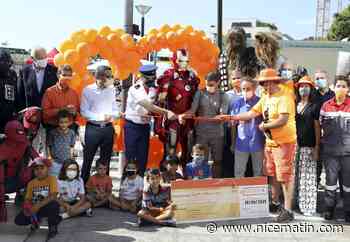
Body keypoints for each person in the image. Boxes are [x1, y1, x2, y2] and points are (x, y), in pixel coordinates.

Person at [219, 69, 297, 222]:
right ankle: (275, 204)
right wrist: (230, 117)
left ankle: (288, 210)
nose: (265, 86)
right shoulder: (266, 97)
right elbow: (250, 114)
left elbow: (283, 120)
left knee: (285, 177)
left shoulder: (285, 96)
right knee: (272, 175)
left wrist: (265, 126)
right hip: (270, 143)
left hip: (284, 143)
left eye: (267, 82)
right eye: (263, 83)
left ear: (275, 81)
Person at [124, 64, 176, 176]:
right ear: (143, 77)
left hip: (144, 127)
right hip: (132, 127)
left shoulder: (153, 89)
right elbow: (149, 106)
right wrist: (167, 112)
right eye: (150, 78)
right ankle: (127, 187)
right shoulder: (135, 89)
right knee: (131, 159)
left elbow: (156, 103)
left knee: (143, 159)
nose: (153, 80)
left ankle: (140, 184)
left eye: (154, 77)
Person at [155, 49, 200, 168]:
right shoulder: (168, 75)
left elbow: (196, 100)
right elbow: (160, 101)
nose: (184, 64)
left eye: (186, 61)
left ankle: (186, 174)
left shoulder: (192, 76)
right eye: (181, 60)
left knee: (188, 149)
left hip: (188, 119)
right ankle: (167, 175)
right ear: (174, 60)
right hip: (172, 119)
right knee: (171, 148)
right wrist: (159, 124)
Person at [180, 71, 229, 178]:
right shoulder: (200, 93)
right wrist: (182, 115)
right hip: (202, 133)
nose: (208, 87)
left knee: (217, 160)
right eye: (207, 84)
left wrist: (221, 116)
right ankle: (201, 182)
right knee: (202, 160)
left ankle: (216, 182)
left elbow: (223, 114)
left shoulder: (223, 95)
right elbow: (192, 111)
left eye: (211, 85)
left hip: (217, 134)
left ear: (218, 83)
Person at [80, 65, 121, 183]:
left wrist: (115, 114)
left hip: (108, 129)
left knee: (106, 160)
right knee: (88, 159)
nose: (110, 78)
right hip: (93, 129)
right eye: (108, 76)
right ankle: (84, 188)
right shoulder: (88, 90)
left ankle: (105, 189)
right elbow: (84, 111)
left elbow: (114, 107)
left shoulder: (111, 89)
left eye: (111, 76)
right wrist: (101, 117)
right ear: (99, 76)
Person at [319, 76, 350, 222]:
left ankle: (348, 210)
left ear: (348, 89)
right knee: (330, 183)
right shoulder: (326, 106)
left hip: (348, 154)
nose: (341, 88)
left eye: (344, 86)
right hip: (330, 153)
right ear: (333, 87)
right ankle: (329, 209)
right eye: (338, 85)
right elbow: (320, 126)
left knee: (348, 184)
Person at [0, 121, 39, 221]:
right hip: (4, 181)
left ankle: (26, 201)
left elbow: (37, 159)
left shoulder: (24, 143)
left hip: (17, 179)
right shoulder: (2, 145)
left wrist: (39, 165)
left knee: (38, 171)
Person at [15, 157, 61, 240]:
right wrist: (27, 207)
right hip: (35, 208)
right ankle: (35, 220)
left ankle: (53, 227)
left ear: (47, 169)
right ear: (34, 171)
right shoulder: (31, 183)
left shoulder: (52, 179)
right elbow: (28, 198)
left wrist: (38, 206)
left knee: (54, 205)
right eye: (36, 168)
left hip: (47, 206)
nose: (39, 170)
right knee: (18, 220)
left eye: (42, 168)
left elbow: (53, 195)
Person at [294, 76, 320, 216]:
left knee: (307, 178)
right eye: (301, 86)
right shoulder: (294, 104)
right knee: (296, 177)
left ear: (311, 89)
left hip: (308, 147)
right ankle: (296, 204)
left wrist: (317, 147)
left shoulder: (314, 106)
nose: (304, 89)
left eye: (307, 86)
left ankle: (308, 207)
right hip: (295, 147)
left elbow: (317, 127)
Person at [230, 77, 265, 178]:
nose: (245, 91)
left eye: (248, 89)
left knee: (258, 173)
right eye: (243, 89)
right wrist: (233, 142)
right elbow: (233, 125)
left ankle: (258, 194)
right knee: (239, 173)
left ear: (254, 89)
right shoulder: (237, 103)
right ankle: (238, 194)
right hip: (241, 143)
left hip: (258, 142)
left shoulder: (261, 102)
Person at [42, 64, 80, 134]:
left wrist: (75, 113)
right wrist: (62, 110)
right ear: (58, 75)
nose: (67, 78)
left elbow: (78, 112)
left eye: (69, 76)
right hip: (53, 128)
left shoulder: (74, 93)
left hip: (70, 128)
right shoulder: (49, 92)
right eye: (64, 75)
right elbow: (45, 113)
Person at [17, 47, 58, 111]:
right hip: (30, 114)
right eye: (41, 58)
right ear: (33, 58)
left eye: (45, 57)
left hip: (48, 113)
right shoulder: (24, 71)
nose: (44, 60)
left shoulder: (54, 71)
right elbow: (20, 93)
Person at [314, 70, 335, 187]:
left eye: (322, 78)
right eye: (317, 78)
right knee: (316, 166)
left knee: (331, 168)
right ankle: (315, 194)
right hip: (315, 137)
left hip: (331, 138)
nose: (319, 80)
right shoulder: (313, 95)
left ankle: (331, 193)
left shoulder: (333, 95)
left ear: (328, 80)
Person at [47, 109, 76, 177]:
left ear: (69, 122)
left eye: (66, 122)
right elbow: (49, 145)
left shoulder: (71, 133)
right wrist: (50, 157)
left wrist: (71, 158)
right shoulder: (53, 133)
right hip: (55, 161)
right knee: (55, 177)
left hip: (67, 161)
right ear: (58, 122)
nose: (63, 124)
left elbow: (72, 146)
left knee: (66, 177)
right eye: (61, 122)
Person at [0, 49, 18, 133]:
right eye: (5, 61)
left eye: (9, 61)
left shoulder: (12, 75)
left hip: (9, 117)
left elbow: (15, 94)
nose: (8, 64)